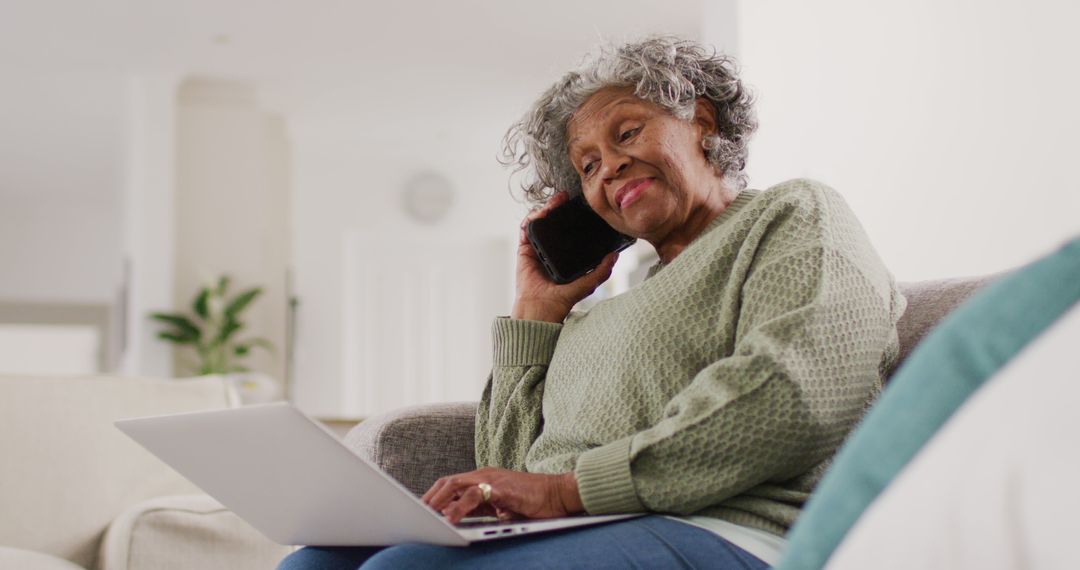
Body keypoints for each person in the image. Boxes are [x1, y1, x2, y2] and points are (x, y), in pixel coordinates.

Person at [279, 36, 905, 569]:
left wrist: (565, 491)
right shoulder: (603, 309)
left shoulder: (793, 214)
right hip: (586, 526)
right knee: (315, 562)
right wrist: (536, 312)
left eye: (627, 133)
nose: (608, 169)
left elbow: (793, 394)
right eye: (587, 167)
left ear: (703, 123)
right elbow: (508, 465)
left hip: (736, 530)